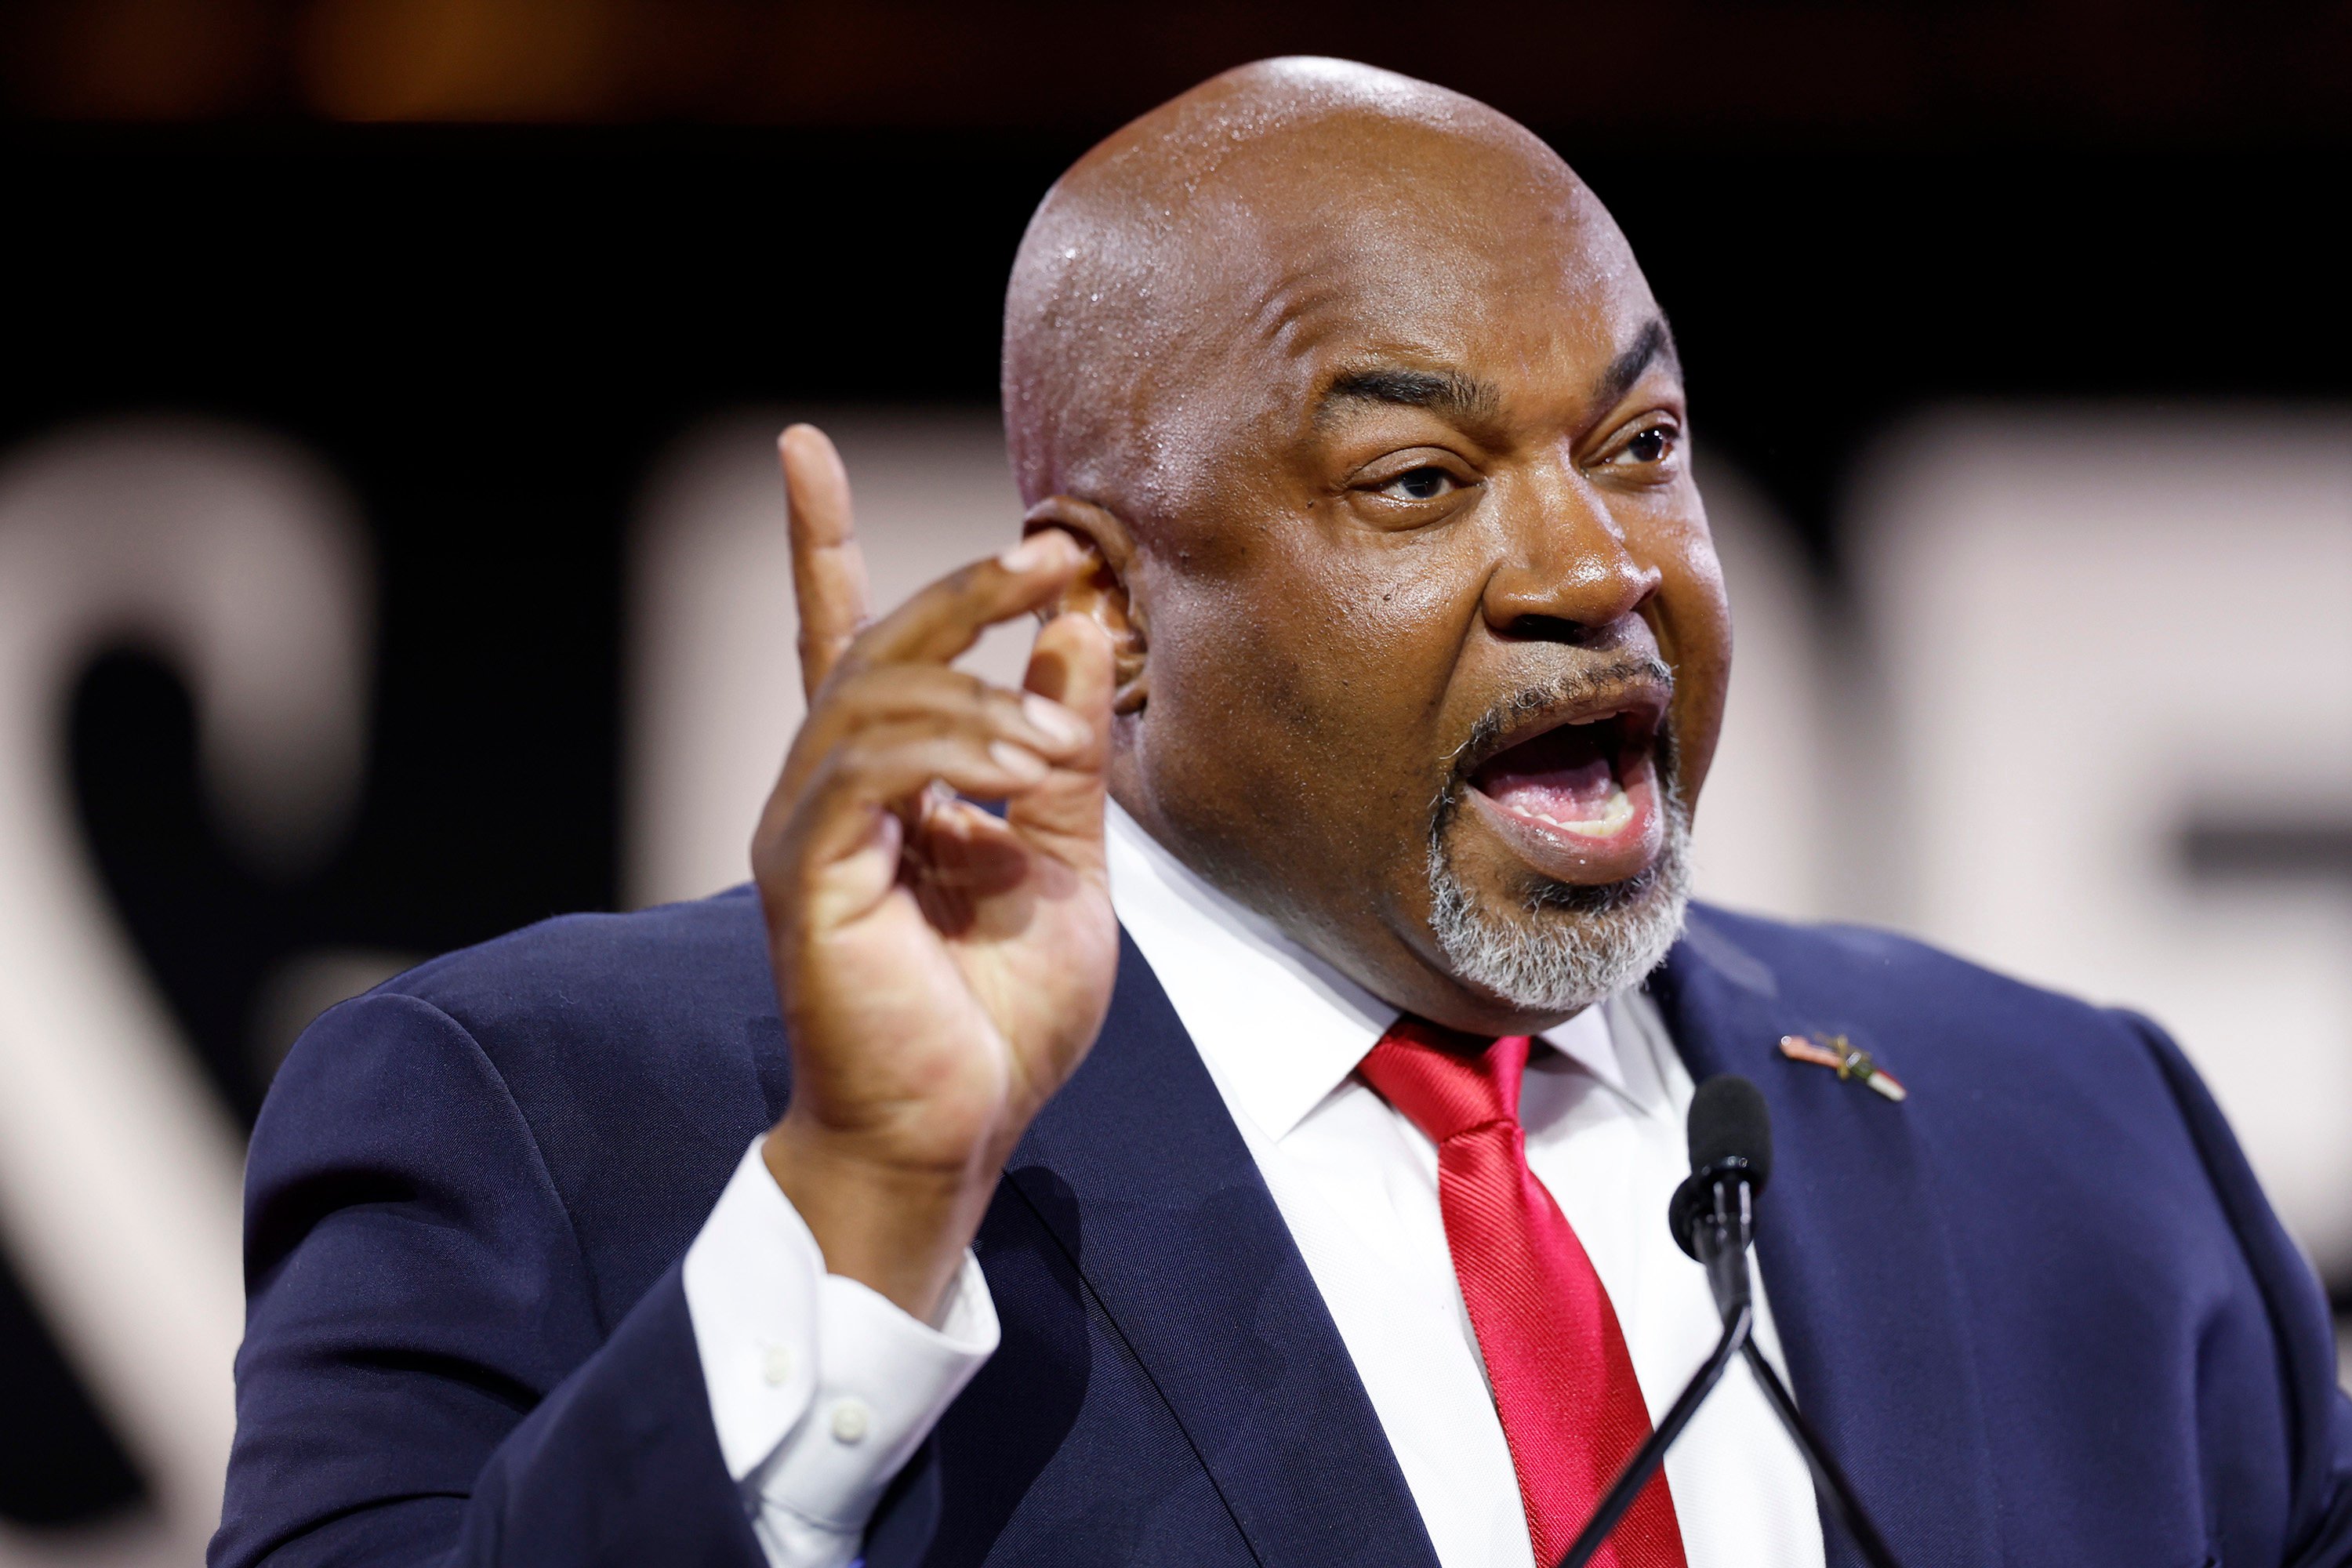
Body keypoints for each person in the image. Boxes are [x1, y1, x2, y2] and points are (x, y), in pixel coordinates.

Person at [212, 57, 2352, 1568]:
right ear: (1110, 612)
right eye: (1420, 484)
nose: (1593, 567)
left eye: (1642, 442)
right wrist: (863, 1206)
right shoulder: (566, 1118)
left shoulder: (2078, 1141)